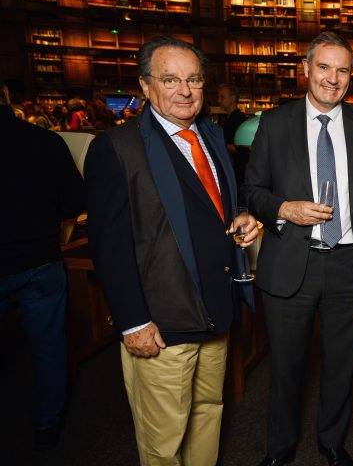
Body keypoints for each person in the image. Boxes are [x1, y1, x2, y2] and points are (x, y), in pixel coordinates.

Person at [85, 36, 261, 466]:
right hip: (161, 325)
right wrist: (133, 322)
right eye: (170, 79)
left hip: (215, 313)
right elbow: (109, 246)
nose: (184, 90)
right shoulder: (117, 148)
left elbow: (213, 206)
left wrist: (238, 217)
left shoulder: (213, 137)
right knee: (163, 443)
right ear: (146, 86)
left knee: (207, 416)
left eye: (194, 79)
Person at [241, 31, 353, 466]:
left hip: (351, 266)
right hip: (292, 261)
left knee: (342, 366)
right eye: (323, 67)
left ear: (351, 76)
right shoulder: (274, 123)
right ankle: (280, 449)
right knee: (286, 368)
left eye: (343, 70)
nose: (333, 78)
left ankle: (331, 442)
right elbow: (252, 190)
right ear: (305, 69)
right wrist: (284, 208)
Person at [0, 80, 86, 450]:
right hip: (39, 259)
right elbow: (74, 201)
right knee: (49, 346)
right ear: (5, 96)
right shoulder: (44, 141)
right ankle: (48, 424)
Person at [217, 83, 247, 151]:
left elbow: (242, 149)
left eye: (222, 97)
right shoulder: (230, 118)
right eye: (219, 97)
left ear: (233, 98)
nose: (218, 100)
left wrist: (218, 145)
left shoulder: (238, 119)